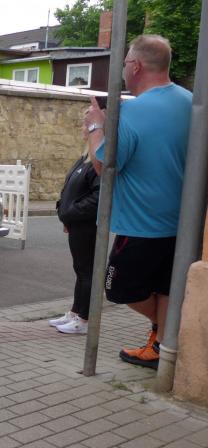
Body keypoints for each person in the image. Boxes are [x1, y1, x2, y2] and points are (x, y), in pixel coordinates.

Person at [84, 35, 192, 369]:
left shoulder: (130, 111)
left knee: (118, 288)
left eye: (124, 63)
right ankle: (161, 346)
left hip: (140, 226)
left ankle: (162, 332)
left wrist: (94, 126)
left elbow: (103, 165)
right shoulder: (191, 103)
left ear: (135, 66)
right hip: (182, 225)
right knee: (166, 286)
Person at [49, 122, 101, 334]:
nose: (82, 128)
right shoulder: (85, 158)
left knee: (87, 271)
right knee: (80, 270)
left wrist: (71, 212)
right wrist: (65, 214)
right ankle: (75, 312)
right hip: (76, 224)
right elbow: (70, 189)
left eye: (87, 124)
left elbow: (98, 197)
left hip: (87, 226)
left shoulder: (96, 161)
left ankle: (84, 320)